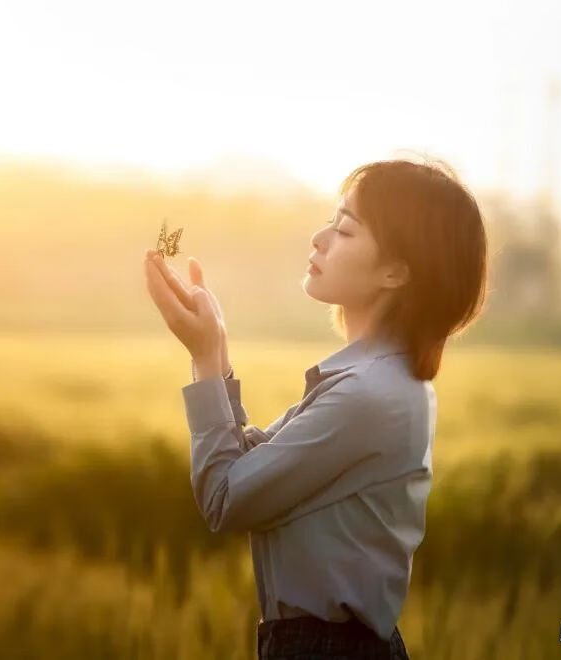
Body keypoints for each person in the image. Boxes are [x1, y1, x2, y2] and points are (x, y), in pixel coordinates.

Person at [143, 156, 489, 659]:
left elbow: (225, 496)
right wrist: (213, 349)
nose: (320, 239)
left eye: (345, 231)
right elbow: (248, 468)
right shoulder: (374, 384)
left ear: (395, 271)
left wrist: (203, 358)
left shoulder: (369, 397)